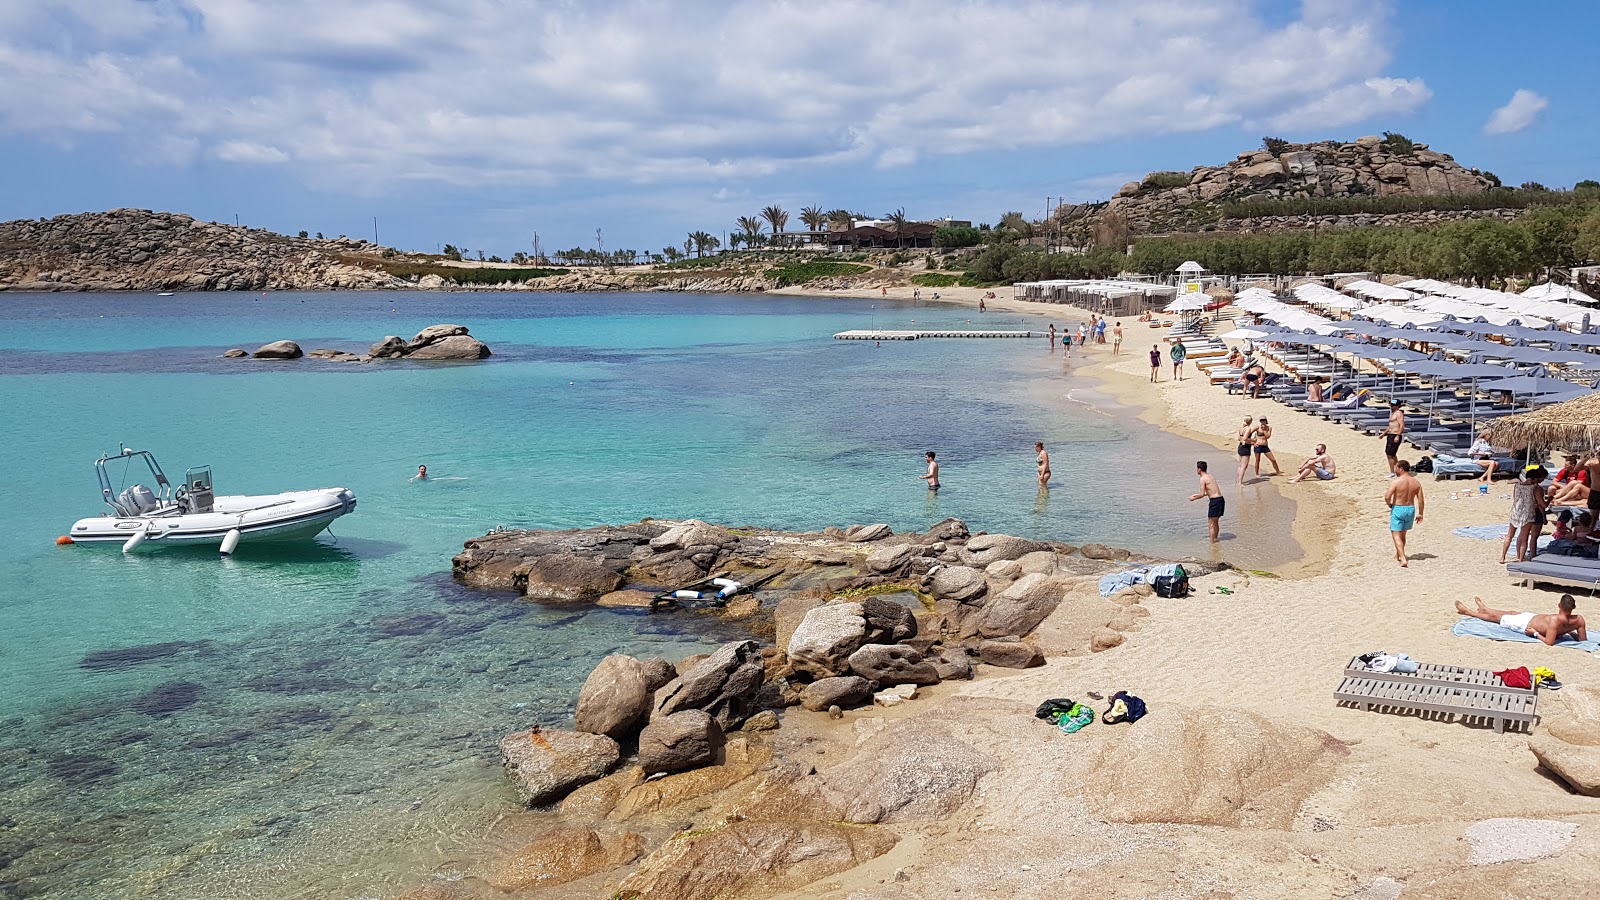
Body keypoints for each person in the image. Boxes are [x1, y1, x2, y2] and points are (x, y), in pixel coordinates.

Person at [1454, 595, 1587, 646]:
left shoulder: (1555, 621)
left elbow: (1549, 642)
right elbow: (1582, 640)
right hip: (1532, 617)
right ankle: (1485, 608)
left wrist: (1535, 633)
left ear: (1559, 605)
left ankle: (1469, 612)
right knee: (1511, 613)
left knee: (1497, 619)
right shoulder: (1579, 620)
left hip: (1527, 624)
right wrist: (1570, 632)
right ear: (1573, 608)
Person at [1500, 467, 1547, 564]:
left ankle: (1502, 557)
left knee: (1509, 536)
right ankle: (1520, 559)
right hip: (1528, 514)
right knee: (1524, 538)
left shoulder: (1517, 485)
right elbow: (1543, 504)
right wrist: (1550, 498)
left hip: (1516, 512)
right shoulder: (1535, 488)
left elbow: (1515, 498)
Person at [1384, 459, 1425, 567]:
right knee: (1403, 534)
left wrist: (1390, 504)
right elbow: (1421, 500)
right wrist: (1420, 513)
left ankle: (1403, 558)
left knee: (1395, 534)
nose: (1395, 470)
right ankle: (1398, 554)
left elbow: (1387, 496)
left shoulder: (1396, 481)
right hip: (1410, 508)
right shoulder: (1416, 482)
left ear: (1401, 469)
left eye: (1396, 468)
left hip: (1399, 507)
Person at [1189, 460, 1224, 543]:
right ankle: (1215, 539)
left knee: (1211, 524)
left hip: (1215, 501)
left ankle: (1212, 544)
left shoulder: (1203, 479)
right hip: (1220, 499)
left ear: (1199, 469)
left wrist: (1193, 498)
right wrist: (1196, 494)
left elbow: (1201, 494)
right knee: (1215, 522)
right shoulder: (1210, 476)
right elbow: (1210, 491)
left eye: (1197, 468)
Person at [1383, 400, 1406, 476]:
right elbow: (1390, 426)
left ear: (1397, 406)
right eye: (1391, 405)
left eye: (1393, 405)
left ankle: (1392, 472)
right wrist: (1383, 434)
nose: (1391, 407)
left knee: (1390, 454)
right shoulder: (1393, 414)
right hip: (1390, 435)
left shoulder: (1399, 413)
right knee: (1392, 454)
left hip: (1395, 435)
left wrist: (1398, 436)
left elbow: (1402, 425)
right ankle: (1397, 470)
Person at [1235, 416, 1256, 485]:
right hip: (1245, 448)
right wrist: (1253, 440)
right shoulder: (1248, 429)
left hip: (1240, 446)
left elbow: (1239, 438)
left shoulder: (1241, 428)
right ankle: (1240, 482)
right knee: (1244, 466)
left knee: (1240, 465)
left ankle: (1238, 480)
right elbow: (1245, 438)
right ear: (1250, 421)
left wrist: (1249, 442)